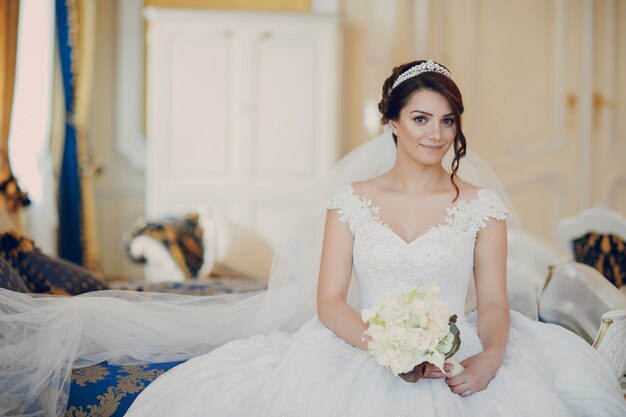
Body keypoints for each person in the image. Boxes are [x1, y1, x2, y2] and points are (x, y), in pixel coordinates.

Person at [0, 60, 624, 417]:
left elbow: (491, 302)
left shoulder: (482, 208)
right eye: (421, 119)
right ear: (393, 124)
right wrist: (390, 351)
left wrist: (487, 360)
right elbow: (330, 302)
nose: (436, 133)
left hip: (462, 353)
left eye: (447, 120)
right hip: (359, 347)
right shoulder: (350, 201)